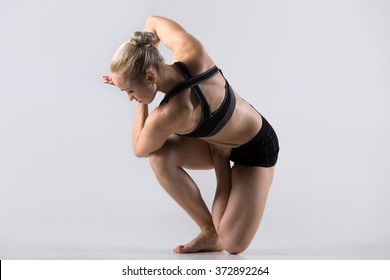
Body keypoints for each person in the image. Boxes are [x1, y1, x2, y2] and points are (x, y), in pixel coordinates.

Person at [103, 16, 279, 254]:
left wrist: (141, 103)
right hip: (214, 141)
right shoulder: (190, 49)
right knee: (161, 159)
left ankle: (221, 162)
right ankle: (209, 231)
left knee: (234, 245)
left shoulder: (168, 114)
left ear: (151, 77)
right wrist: (143, 60)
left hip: (256, 147)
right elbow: (153, 22)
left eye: (129, 91)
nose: (129, 97)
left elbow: (138, 148)